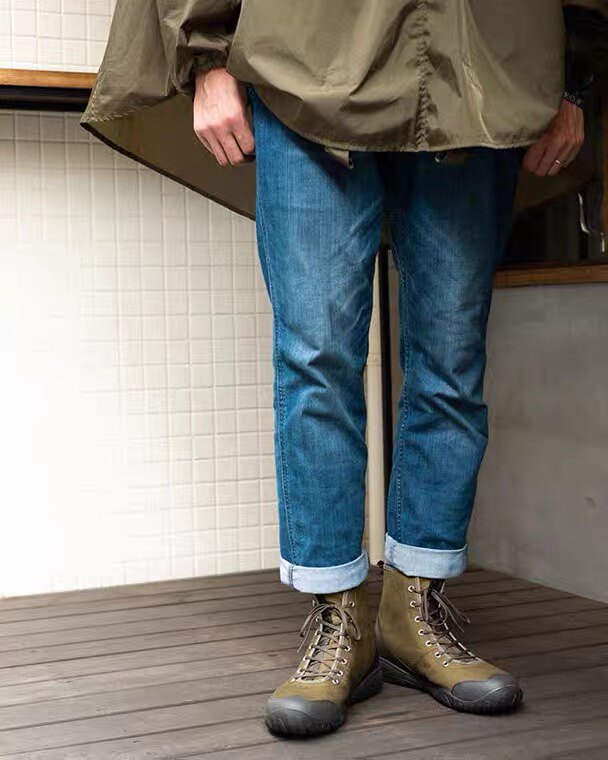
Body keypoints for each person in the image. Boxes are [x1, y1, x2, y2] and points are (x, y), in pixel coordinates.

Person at [81, 0, 607, 740]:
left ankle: (412, 613)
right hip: (307, 68)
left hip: (481, 75)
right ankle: (340, 621)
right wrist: (205, 61)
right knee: (317, 359)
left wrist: (573, 81)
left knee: (452, 360)